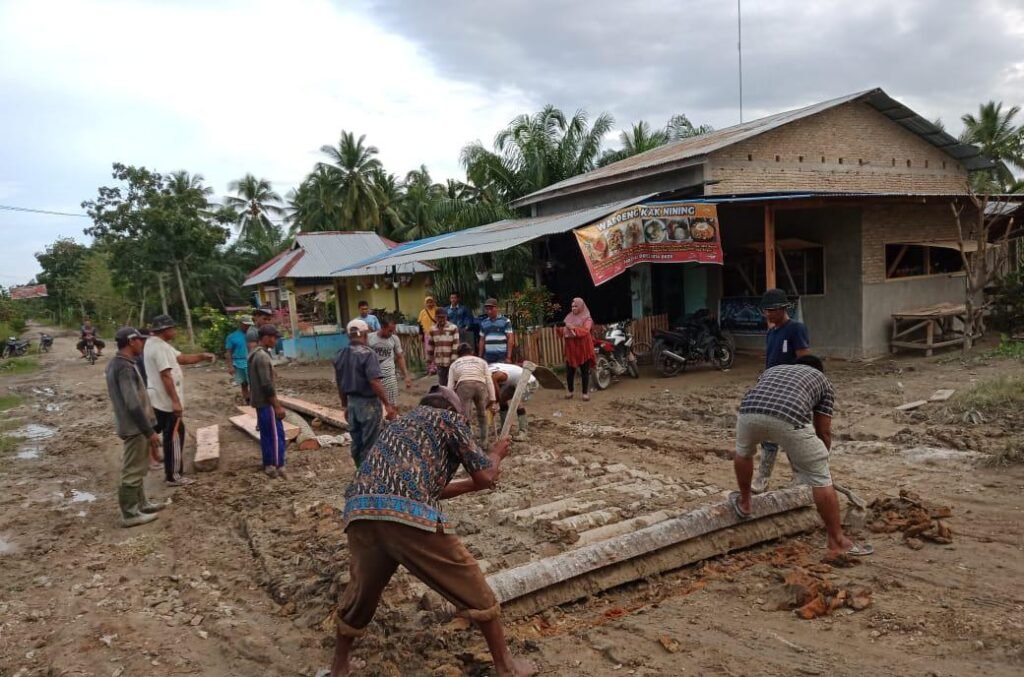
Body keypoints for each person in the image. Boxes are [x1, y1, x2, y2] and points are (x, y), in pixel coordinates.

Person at [329, 385, 535, 677]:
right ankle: (506, 667)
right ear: (453, 411)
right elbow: (487, 474)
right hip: (408, 513)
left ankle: (339, 668)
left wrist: (472, 483)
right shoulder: (449, 420)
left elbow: (430, 486)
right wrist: (496, 454)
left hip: (361, 510)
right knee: (470, 580)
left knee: (362, 592)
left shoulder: (400, 425)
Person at [731, 355, 873, 560]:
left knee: (743, 452)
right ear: (819, 370)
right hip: (790, 416)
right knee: (821, 479)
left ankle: (745, 503)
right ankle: (837, 542)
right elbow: (823, 430)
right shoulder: (823, 381)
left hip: (749, 411)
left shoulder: (775, 369)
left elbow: (770, 408)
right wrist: (820, 463)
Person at [144, 314, 217, 487]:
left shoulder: (156, 344)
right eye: (172, 328)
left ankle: (151, 455)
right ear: (165, 330)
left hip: (158, 400)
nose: (175, 331)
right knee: (175, 436)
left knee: (165, 431)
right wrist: (176, 402)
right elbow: (166, 375)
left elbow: (181, 358)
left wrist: (201, 356)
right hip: (167, 403)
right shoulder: (159, 348)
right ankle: (174, 476)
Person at [105, 327, 165, 528]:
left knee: (138, 468)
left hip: (132, 426)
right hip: (135, 428)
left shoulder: (119, 363)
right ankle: (130, 514)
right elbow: (133, 403)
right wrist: (149, 431)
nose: (143, 343)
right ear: (131, 341)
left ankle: (142, 504)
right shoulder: (124, 368)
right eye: (140, 340)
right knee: (132, 471)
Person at [753, 288, 812, 494]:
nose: (768, 315)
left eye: (771, 311)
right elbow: (770, 362)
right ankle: (763, 478)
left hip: (792, 392)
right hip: (772, 391)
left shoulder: (796, 329)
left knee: (793, 435)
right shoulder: (771, 333)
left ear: (782, 309)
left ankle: (800, 476)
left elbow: (805, 361)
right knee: (768, 434)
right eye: (765, 311)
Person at [334, 319, 397, 468]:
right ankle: (368, 477)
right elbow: (375, 382)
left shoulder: (340, 354)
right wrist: (387, 404)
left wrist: (345, 405)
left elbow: (339, 382)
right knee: (370, 442)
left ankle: (359, 471)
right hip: (368, 403)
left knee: (356, 442)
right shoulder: (368, 354)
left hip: (352, 403)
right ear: (364, 333)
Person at [249, 324, 288, 479]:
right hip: (266, 402)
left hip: (259, 402)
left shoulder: (255, 354)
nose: (275, 341)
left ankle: (268, 464)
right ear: (265, 338)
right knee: (276, 435)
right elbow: (266, 384)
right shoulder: (262, 357)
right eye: (273, 337)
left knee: (266, 435)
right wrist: (277, 405)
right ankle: (278, 465)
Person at [448, 343, 497, 445]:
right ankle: (484, 441)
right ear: (472, 352)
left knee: (465, 416)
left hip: (464, 385)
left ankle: (468, 442)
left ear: (458, 354)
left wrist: (450, 401)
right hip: (481, 385)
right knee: (482, 414)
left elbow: (450, 386)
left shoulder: (454, 364)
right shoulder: (482, 362)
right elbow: (489, 380)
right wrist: (493, 397)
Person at [368, 315, 412, 409]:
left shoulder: (394, 339)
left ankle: (393, 421)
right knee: (375, 405)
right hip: (373, 377)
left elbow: (400, 357)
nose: (392, 333)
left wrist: (406, 376)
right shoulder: (370, 338)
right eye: (390, 330)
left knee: (392, 405)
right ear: (382, 327)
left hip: (389, 376)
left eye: (393, 330)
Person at [488, 363, 537, 442]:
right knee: (502, 401)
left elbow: (497, 394)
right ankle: (505, 428)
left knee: (517, 403)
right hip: (514, 382)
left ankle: (523, 432)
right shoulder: (488, 369)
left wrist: (492, 403)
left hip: (528, 381)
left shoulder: (494, 376)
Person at [562, 297, 595, 401]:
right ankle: (570, 391)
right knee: (569, 372)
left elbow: (586, 330)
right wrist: (562, 330)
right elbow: (565, 330)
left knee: (585, 371)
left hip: (583, 348)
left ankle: (585, 393)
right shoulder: (569, 317)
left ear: (581, 306)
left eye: (576, 306)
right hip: (571, 348)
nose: (573, 308)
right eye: (572, 306)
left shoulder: (587, 318)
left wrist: (573, 328)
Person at [426, 307, 460, 385]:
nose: (441, 319)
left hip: (451, 362)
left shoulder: (453, 328)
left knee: (452, 383)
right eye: (439, 317)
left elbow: (455, 346)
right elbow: (431, 346)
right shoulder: (433, 329)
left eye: (443, 317)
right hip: (440, 362)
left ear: (446, 317)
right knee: (442, 384)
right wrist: (429, 361)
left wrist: (453, 362)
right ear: (435, 317)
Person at [225, 315, 253, 402]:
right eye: (246, 325)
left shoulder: (253, 335)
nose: (248, 327)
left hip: (251, 360)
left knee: (253, 382)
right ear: (241, 324)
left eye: (249, 325)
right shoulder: (232, 337)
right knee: (243, 383)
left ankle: (254, 399)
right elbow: (228, 352)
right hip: (238, 362)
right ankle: (247, 399)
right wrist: (230, 366)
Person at [478, 298, 515, 364]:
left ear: (496, 308)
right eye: (487, 309)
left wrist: (508, 357)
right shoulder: (483, 323)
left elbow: (510, 339)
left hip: (502, 356)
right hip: (488, 357)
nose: (489, 311)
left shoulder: (505, 321)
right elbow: (482, 340)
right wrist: (480, 356)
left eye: (491, 309)